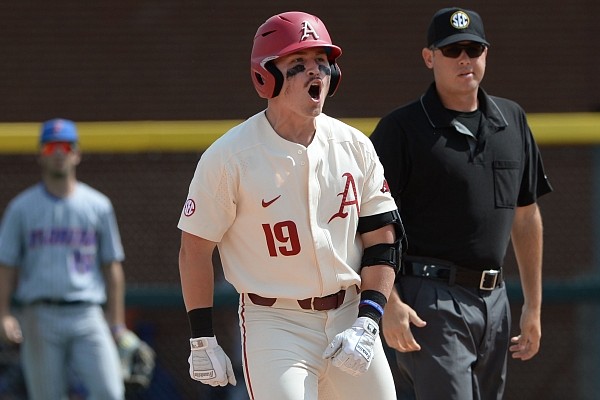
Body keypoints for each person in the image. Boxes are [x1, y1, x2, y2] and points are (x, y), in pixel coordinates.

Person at [177, 11, 404, 400]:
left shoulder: (354, 145)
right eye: (297, 65)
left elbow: (383, 238)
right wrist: (202, 339)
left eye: (323, 62)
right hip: (275, 321)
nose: (315, 73)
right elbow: (195, 249)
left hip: (350, 314)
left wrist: (369, 320)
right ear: (266, 77)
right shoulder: (230, 156)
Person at [369, 7, 553, 400]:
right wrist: (389, 303)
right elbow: (367, 223)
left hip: (496, 298)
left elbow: (526, 216)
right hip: (429, 297)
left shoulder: (512, 119)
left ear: (486, 53)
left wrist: (533, 307)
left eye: (474, 48)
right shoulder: (402, 129)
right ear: (429, 57)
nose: (465, 59)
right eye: (452, 50)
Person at [0, 118, 137, 400]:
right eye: (51, 147)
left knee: (111, 392)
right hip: (39, 314)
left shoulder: (98, 205)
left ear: (76, 153)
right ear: (41, 154)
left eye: (65, 146)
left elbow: (112, 267)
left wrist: (117, 324)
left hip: (87, 313)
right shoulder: (21, 208)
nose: (59, 153)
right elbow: (6, 267)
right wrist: (3, 314)